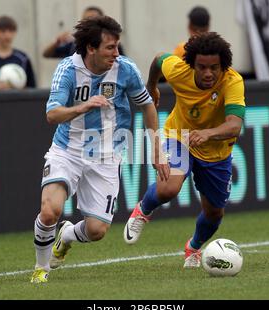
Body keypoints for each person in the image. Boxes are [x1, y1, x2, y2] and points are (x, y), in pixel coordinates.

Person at [30, 16, 169, 283]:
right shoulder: (68, 71)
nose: (116, 53)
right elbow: (52, 115)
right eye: (110, 48)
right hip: (67, 150)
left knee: (96, 231)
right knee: (50, 211)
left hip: (106, 154)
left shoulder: (125, 69)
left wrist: (156, 147)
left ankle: (67, 236)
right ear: (91, 49)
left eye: (117, 46)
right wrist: (81, 107)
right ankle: (40, 269)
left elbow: (148, 105)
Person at [123, 32, 246, 268]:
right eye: (202, 67)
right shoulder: (179, 71)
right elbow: (159, 59)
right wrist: (151, 86)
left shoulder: (233, 82)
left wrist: (208, 134)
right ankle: (143, 210)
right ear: (192, 64)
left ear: (223, 66)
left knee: (214, 214)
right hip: (179, 136)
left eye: (214, 67)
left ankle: (194, 247)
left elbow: (234, 125)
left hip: (216, 152)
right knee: (169, 187)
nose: (208, 73)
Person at [43, 6, 125, 59]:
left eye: (92, 20)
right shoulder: (74, 44)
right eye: (85, 20)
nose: (88, 24)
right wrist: (57, 42)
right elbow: (46, 54)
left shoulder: (112, 44)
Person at [0, 16, 37, 89]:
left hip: (18, 99)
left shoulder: (23, 58)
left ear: (15, 33)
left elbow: (32, 86)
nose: (7, 36)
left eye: (11, 31)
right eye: (3, 31)